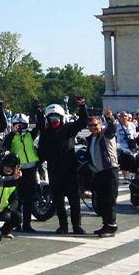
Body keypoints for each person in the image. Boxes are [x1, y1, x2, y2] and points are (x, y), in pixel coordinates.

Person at [36, 97, 88, 234]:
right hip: (54, 171)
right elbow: (41, 151)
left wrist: (82, 107)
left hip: (70, 170)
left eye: (57, 116)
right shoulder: (46, 133)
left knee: (74, 201)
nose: (54, 119)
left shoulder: (69, 129)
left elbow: (83, 122)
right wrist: (38, 112)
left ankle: (77, 226)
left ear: (62, 117)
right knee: (58, 202)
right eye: (51, 117)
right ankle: (63, 226)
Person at [85, 107, 119, 237]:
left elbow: (112, 129)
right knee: (101, 200)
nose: (92, 127)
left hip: (109, 170)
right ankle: (106, 225)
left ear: (100, 124)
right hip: (98, 173)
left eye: (95, 125)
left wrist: (109, 118)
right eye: (90, 125)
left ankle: (111, 226)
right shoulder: (90, 139)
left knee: (109, 200)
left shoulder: (106, 134)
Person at [3, 112, 40, 232]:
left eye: (23, 125)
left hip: (31, 169)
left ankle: (27, 224)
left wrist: (37, 111)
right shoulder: (11, 136)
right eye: (17, 125)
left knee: (29, 198)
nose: (20, 127)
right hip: (18, 170)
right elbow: (5, 145)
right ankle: (17, 223)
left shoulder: (30, 135)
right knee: (17, 198)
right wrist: (13, 132)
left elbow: (40, 125)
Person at [0, 153, 22, 240]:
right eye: (7, 165)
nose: (8, 168)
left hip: (2, 211)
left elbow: (15, 199)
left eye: (12, 167)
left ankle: (4, 232)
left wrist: (9, 209)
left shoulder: (15, 181)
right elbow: (3, 181)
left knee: (18, 217)